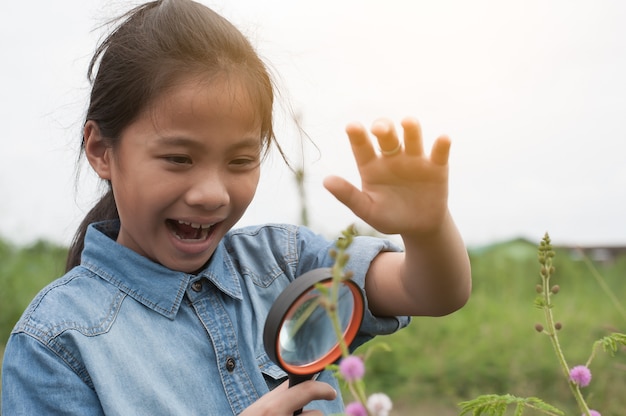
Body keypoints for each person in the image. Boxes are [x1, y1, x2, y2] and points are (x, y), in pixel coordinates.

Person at [1, 0, 471, 415]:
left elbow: (431, 292)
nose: (213, 193)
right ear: (102, 150)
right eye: (178, 158)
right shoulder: (56, 345)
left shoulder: (286, 262)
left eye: (241, 160)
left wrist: (427, 231)